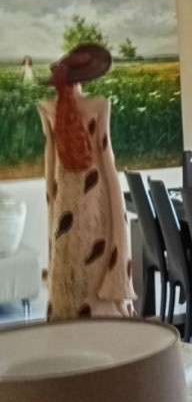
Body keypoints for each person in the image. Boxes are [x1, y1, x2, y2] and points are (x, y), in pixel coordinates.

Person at [39, 44, 136, 321]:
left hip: (64, 197)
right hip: (97, 196)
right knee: (97, 254)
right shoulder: (99, 105)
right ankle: (102, 322)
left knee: (67, 251)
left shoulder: (47, 107)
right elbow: (106, 159)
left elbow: (50, 163)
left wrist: (52, 199)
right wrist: (117, 208)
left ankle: (67, 319)